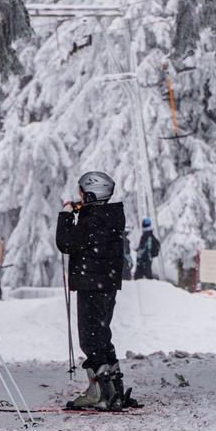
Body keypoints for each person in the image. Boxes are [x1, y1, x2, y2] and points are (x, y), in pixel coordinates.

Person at [56, 171, 138, 410]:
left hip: (90, 284)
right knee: (102, 334)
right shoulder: (110, 216)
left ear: (91, 193)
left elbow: (66, 243)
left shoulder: (92, 220)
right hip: (107, 283)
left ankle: (98, 392)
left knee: (90, 338)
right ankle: (114, 389)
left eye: (82, 191)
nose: (79, 195)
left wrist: (65, 216)